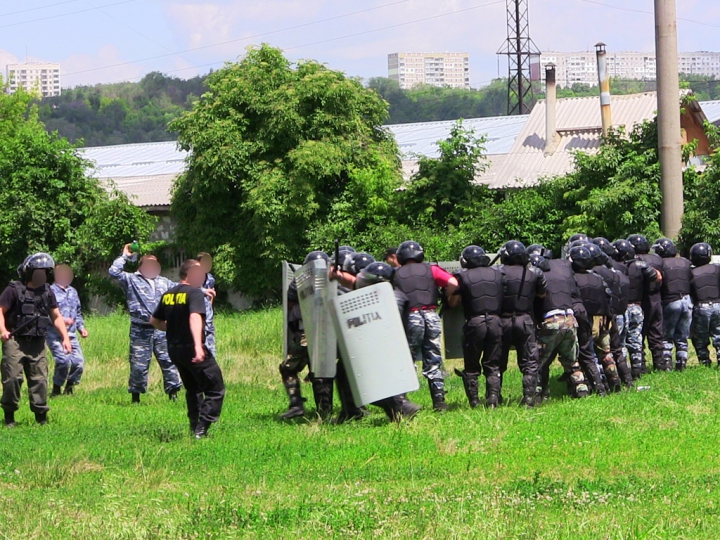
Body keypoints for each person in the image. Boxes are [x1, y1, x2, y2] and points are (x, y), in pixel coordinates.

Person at [329, 261, 422, 420]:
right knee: (345, 372)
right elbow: (355, 283)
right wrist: (337, 276)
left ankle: (401, 407)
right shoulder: (378, 294)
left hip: (384, 348)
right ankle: (351, 412)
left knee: (367, 383)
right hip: (379, 345)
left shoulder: (392, 299)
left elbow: (383, 329)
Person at [151, 259, 225, 438]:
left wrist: (175, 327)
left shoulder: (168, 294)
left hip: (174, 350)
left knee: (193, 389)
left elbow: (154, 321)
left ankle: (194, 427)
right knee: (216, 389)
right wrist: (199, 347)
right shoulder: (194, 293)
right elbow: (194, 318)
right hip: (192, 348)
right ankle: (202, 426)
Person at [1, 253, 72, 427]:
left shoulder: (47, 292)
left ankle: (41, 418)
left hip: (38, 342)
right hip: (15, 340)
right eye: (38, 272)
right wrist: (3, 330)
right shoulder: (13, 289)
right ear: (29, 272)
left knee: (39, 380)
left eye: (44, 272)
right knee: (12, 378)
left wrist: (65, 338)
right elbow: (0, 311)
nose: (41, 275)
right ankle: (9, 417)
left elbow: (56, 316)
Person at [109, 244, 183, 403]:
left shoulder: (164, 282)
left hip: (162, 329)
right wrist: (125, 256)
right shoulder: (131, 280)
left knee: (169, 361)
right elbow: (113, 272)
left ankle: (173, 394)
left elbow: (182, 288)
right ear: (141, 266)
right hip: (140, 330)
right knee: (139, 365)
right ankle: (136, 397)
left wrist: (202, 291)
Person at [393, 241, 458, 411]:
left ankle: (402, 402)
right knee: (433, 358)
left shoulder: (395, 273)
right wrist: (445, 295)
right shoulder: (432, 269)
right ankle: (439, 401)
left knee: (408, 359)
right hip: (431, 315)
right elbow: (453, 283)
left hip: (410, 317)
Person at [279, 251, 334, 420]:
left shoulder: (299, 282)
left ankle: (296, 405)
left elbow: (290, 305)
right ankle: (324, 411)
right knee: (321, 373)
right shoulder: (332, 281)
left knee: (288, 368)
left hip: (306, 334)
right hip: (326, 334)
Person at [447, 245, 504, 408]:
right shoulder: (498, 273)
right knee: (492, 364)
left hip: (475, 322)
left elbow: (453, 303)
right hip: (495, 321)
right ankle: (493, 399)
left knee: (472, 365)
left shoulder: (462, 276)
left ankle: (474, 401)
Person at [530, 251, 589, 400]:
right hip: (570, 318)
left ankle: (537, 393)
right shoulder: (561, 273)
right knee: (572, 360)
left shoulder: (539, 279)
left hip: (552, 320)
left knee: (537, 362)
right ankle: (581, 388)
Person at [498, 240, 547, 407]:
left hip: (502, 320)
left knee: (498, 361)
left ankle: (495, 397)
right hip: (525, 319)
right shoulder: (535, 273)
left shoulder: (498, 272)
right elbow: (542, 294)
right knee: (529, 361)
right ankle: (529, 398)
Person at [572, 244, 622, 392]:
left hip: (586, 320)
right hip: (602, 319)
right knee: (606, 352)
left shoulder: (573, 279)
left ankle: (595, 384)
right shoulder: (598, 278)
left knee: (587, 353)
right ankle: (615, 380)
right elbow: (608, 296)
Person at [588, 242, 633, 388]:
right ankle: (624, 380)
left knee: (593, 351)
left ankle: (601, 382)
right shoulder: (613, 273)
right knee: (615, 349)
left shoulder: (591, 273)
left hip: (594, 316)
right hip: (611, 315)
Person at [615, 239, 658, 379]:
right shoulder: (640, 265)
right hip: (637, 307)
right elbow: (655, 277)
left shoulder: (615, 268)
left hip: (622, 308)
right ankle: (637, 369)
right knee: (635, 339)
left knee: (620, 341)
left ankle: (624, 371)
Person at [47, 264, 89, 397]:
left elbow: (77, 312)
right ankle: (56, 388)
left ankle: (69, 387)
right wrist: (62, 320)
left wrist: (81, 328)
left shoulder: (73, 292)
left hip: (71, 335)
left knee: (78, 363)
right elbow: (45, 314)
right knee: (63, 361)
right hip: (55, 335)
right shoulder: (49, 291)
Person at [652, 238, 693, 371]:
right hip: (687, 300)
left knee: (666, 336)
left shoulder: (661, 263)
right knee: (682, 336)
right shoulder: (686, 262)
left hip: (671, 301)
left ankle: (667, 363)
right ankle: (681, 363)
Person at [628, 234, 667, 371]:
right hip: (657, 298)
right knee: (657, 333)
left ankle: (641, 365)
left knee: (640, 333)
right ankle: (660, 363)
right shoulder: (658, 259)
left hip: (642, 299)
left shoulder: (634, 261)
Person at [689, 243, 720, 367]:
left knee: (700, 337)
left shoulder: (691, 272)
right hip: (718, 305)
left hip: (701, 307)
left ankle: (704, 361)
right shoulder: (717, 269)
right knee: (718, 334)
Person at [197, 252, 217, 359]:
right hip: (196, 317)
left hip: (208, 318)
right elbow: (188, 289)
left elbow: (212, 294)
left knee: (211, 348)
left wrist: (209, 307)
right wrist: (203, 291)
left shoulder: (210, 278)